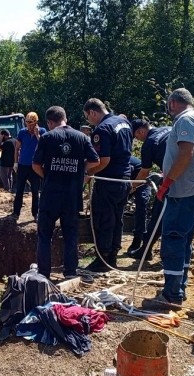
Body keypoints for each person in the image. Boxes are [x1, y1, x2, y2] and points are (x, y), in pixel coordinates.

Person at [142, 88, 194, 311]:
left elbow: (186, 153)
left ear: (173, 103)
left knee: (172, 241)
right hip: (192, 188)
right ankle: (178, 288)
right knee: (183, 241)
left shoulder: (186, 120)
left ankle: (171, 296)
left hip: (183, 192)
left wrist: (166, 183)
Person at [32, 106, 99, 279]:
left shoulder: (47, 137)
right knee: (71, 234)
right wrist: (80, 172)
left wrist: (48, 176)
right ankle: (70, 272)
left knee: (45, 235)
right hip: (71, 195)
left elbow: (35, 165)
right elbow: (95, 160)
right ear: (65, 119)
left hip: (50, 195)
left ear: (49, 122)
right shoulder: (82, 137)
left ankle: (43, 274)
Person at [82, 98, 133, 272]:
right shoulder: (123, 122)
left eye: (88, 118)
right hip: (124, 180)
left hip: (108, 181)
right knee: (117, 219)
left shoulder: (102, 129)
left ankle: (102, 260)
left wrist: (88, 174)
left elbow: (103, 160)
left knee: (103, 220)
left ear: (93, 112)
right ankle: (113, 257)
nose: (89, 122)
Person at [127, 119, 171, 261]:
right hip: (187, 175)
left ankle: (145, 250)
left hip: (172, 179)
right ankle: (186, 251)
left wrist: (132, 187)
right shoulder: (167, 128)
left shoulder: (149, 143)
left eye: (136, 136)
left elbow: (144, 172)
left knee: (158, 213)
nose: (138, 140)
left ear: (141, 131)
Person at [12, 112, 46, 220]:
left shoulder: (42, 131)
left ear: (36, 122)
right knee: (19, 190)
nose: (29, 125)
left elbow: (44, 146)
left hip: (35, 166)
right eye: (27, 123)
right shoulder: (22, 132)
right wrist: (16, 162)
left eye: (31, 123)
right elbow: (17, 148)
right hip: (22, 165)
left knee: (35, 191)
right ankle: (16, 213)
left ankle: (35, 213)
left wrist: (37, 135)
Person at [127, 156, 150, 254]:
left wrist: (133, 187)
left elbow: (145, 171)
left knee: (141, 207)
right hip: (127, 182)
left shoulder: (128, 161)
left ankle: (138, 239)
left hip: (142, 180)